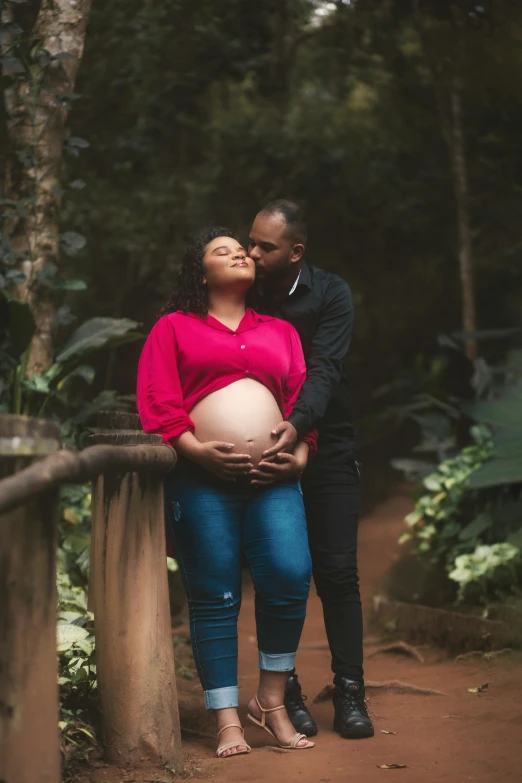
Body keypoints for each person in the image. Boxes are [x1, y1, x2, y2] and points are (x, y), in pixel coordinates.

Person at [136, 227, 316, 758]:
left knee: (289, 573)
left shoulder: (280, 331)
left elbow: (301, 397)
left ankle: (272, 703)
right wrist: (195, 450)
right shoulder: (173, 328)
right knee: (214, 595)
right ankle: (226, 717)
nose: (240, 253)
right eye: (223, 250)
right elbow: (157, 399)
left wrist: (300, 455)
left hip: (274, 479)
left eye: (243, 249)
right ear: (202, 271)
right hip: (200, 481)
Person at [247, 200, 375, 740]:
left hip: (328, 447)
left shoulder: (331, 294)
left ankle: (350, 691)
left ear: (295, 252)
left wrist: (297, 429)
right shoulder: (242, 288)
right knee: (280, 574)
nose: (252, 253)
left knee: (338, 573)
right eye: (249, 241)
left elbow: (324, 369)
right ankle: (285, 690)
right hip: (260, 453)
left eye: (265, 246)